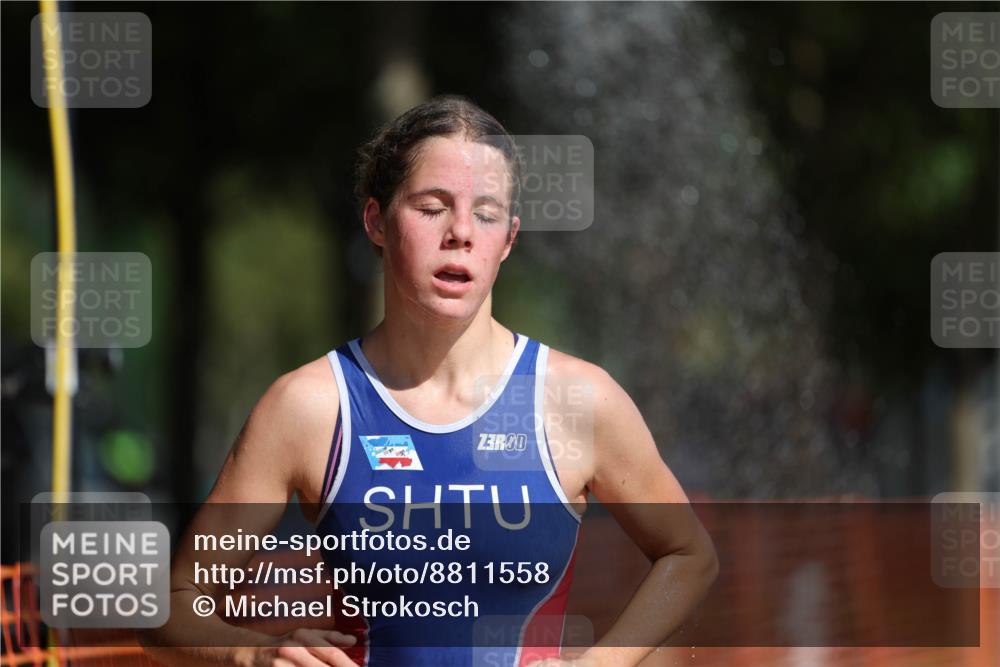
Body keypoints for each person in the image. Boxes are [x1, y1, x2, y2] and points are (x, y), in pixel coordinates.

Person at [143, 94, 718, 667]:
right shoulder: (309, 407)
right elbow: (174, 607)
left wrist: (601, 663)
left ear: (509, 240)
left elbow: (689, 555)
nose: (461, 231)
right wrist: (255, 656)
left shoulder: (573, 401)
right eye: (431, 207)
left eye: (486, 213)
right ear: (376, 221)